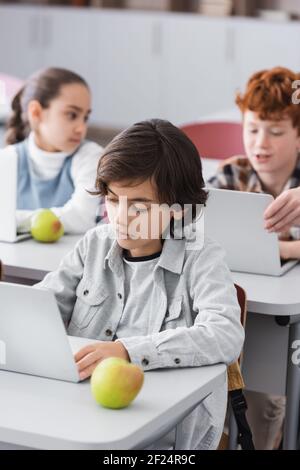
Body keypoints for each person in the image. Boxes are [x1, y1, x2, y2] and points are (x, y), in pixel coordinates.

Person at [36, 119, 244, 450]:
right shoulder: (94, 243)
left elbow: (225, 334)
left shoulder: (202, 256)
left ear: (177, 208)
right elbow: (40, 307)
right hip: (85, 416)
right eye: (114, 199)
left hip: (169, 435)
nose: (120, 217)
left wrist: (128, 351)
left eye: (140, 205)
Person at [208, 66, 300, 449]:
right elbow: (201, 229)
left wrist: (276, 249)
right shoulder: (233, 174)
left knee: (266, 396)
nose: (260, 143)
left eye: (276, 132)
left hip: (283, 322)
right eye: (252, 129)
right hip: (241, 308)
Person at [3, 67, 103, 234]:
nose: (81, 128)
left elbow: (80, 217)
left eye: (85, 117)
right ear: (36, 113)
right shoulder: (8, 158)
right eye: (72, 115)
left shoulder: (90, 156)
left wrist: (14, 219)